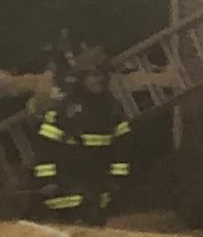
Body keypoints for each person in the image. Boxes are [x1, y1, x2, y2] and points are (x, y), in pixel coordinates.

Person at [32, 45, 132, 226]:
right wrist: (48, 180)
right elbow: (46, 147)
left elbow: (122, 145)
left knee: (96, 225)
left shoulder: (111, 107)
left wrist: (118, 178)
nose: (99, 80)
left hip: (98, 179)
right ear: (82, 78)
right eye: (93, 75)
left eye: (102, 75)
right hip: (68, 180)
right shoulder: (65, 109)